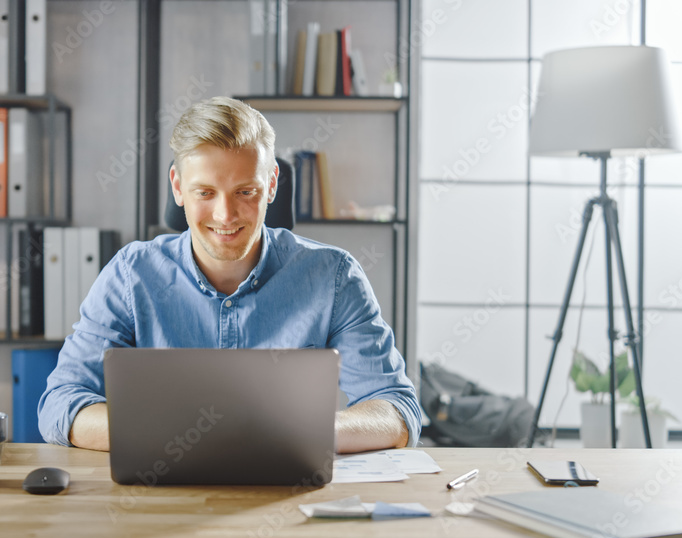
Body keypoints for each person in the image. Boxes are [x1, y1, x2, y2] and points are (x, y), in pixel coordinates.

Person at [39, 96, 420, 453]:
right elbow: (60, 405)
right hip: (158, 499)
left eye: (245, 192)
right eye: (205, 192)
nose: (225, 215)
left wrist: (299, 432)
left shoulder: (333, 277)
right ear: (178, 187)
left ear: (271, 185)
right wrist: (173, 436)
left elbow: (397, 410)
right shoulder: (130, 275)